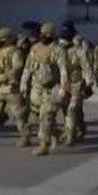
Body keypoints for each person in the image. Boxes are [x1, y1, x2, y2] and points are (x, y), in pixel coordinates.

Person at [20, 22, 71, 156]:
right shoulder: (35, 49)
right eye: (42, 34)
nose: (43, 37)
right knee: (36, 116)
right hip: (37, 88)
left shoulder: (58, 50)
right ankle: (56, 133)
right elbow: (28, 67)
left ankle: (44, 144)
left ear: (52, 36)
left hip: (53, 87)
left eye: (46, 35)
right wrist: (24, 83)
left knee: (46, 115)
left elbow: (64, 70)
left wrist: (63, 87)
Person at [60, 25, 94, 146]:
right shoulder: (58, 50)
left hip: (77, 84)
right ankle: (79, 128)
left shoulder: (79, 51)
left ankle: (70, 137)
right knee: (68, 110)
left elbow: (86, 67)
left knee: (72, 109)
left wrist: (89, 84)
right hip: (62, 86)